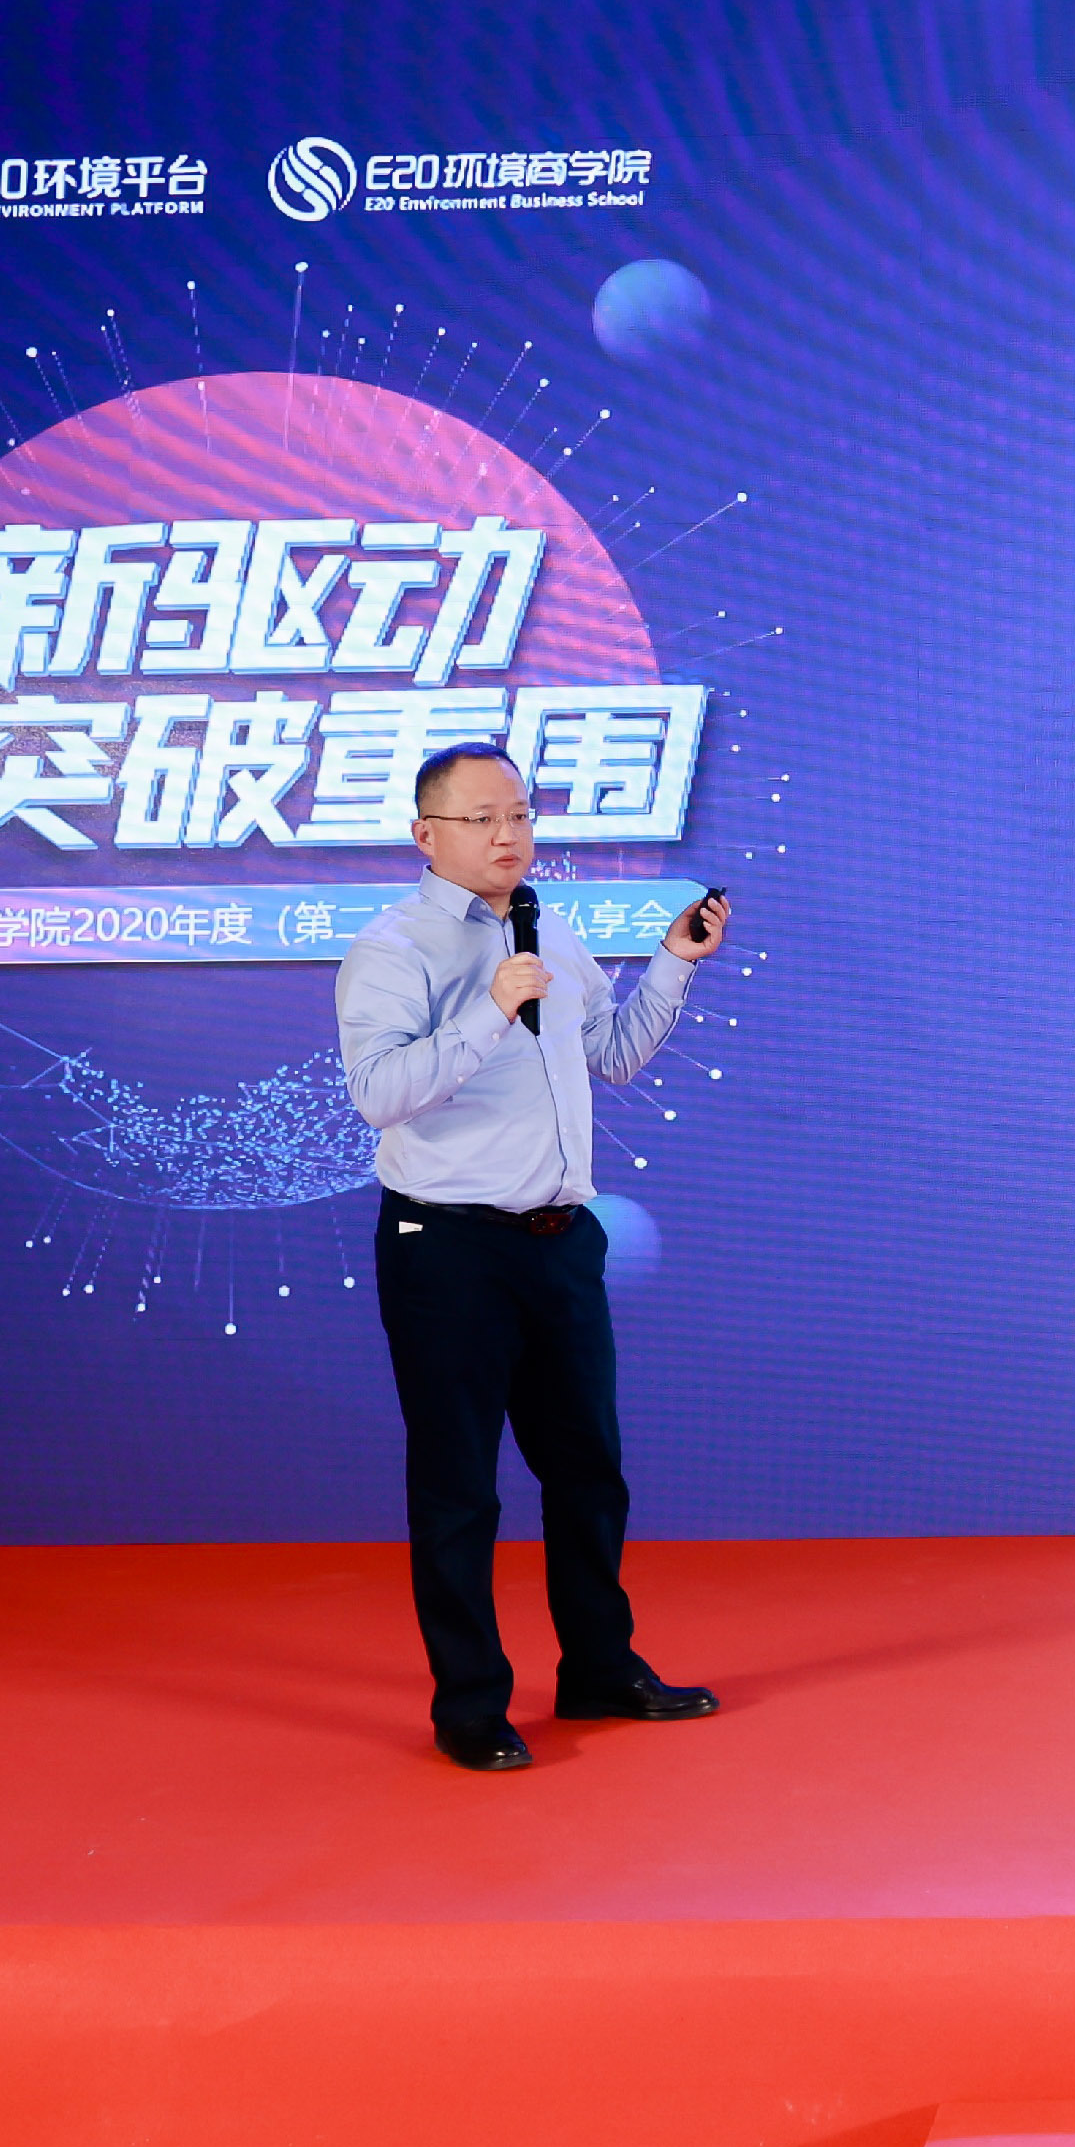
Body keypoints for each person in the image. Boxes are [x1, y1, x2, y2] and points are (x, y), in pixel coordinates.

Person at [335, 739, 727, 1770]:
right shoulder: (392, 947)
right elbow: (379, 1094)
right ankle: (470, 1702)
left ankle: (600, 1666)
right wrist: (490, 1007)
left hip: (559, 1241)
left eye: (518, 814)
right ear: (426, 835)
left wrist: (672, 964)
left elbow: (611, 1054)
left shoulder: (547, 926)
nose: (508, 834)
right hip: (446, 1245)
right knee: (459, 1485)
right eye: (481, 819)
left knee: (589, 1471)